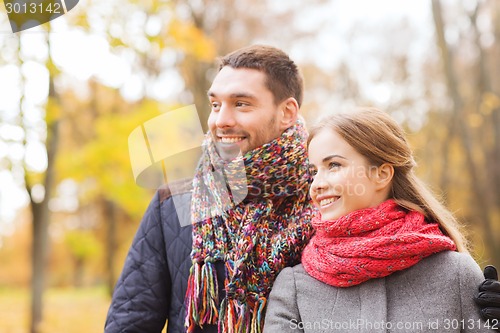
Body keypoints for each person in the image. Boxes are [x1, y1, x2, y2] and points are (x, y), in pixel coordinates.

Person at [104, 46, 500, 333]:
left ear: (287, 112)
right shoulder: (175, 204)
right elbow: (130, 321)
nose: (220, 120)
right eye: (214, 105)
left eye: (241, 104)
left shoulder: (333, 206)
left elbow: (392, 279)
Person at [263, 108, 499, 333]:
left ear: (382, 174)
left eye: (333, 165)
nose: (317, 185)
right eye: (313, 171)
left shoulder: (455, 274)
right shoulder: (294, 288)